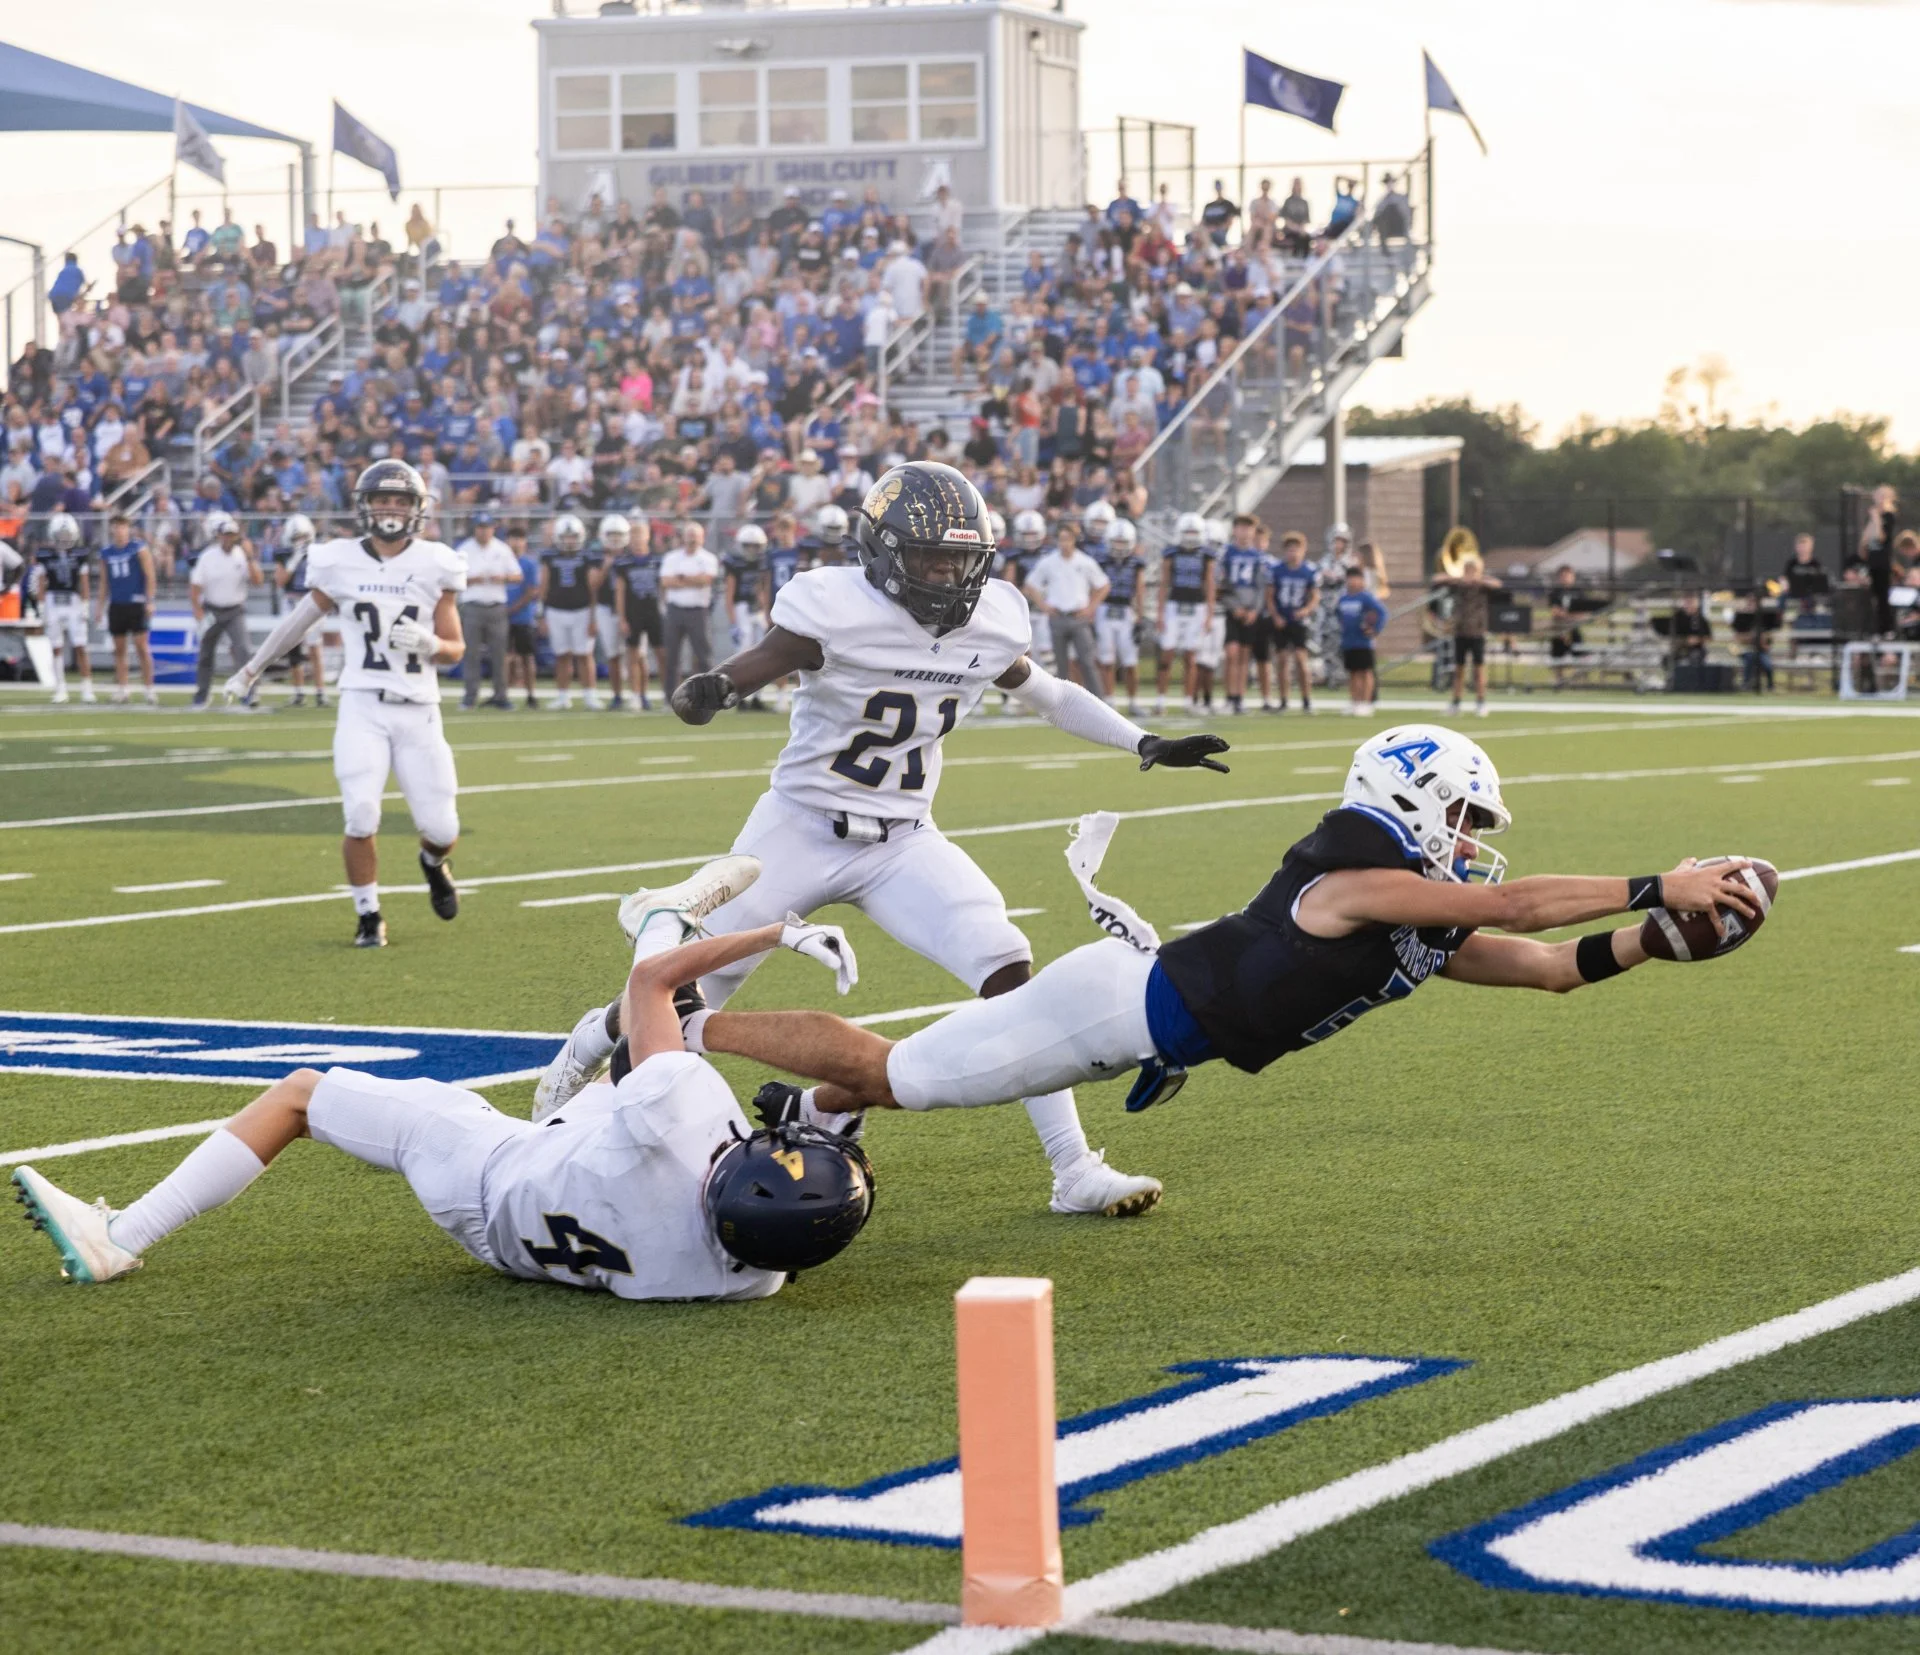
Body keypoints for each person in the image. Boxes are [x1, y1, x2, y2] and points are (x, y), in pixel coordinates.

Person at [639, 461, 1231, 1219]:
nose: (949, 572)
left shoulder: (988, 621)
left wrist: (1141, 740)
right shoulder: (834, 609)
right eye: (931, 557)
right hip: (797, 826)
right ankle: (613, 1139)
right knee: (683, 985)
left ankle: (1073, 1168)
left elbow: (1048, 693)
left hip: (903, 841)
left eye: (960, 557)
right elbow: (763, 661)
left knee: (1010, 968)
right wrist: (715, 689)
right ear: (883, 554)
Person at [691, 728, 1765, 1133]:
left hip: (1139, 1011)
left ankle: (799, 1113)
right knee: (901, 1073)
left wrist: (1652, 945)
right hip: (1111, 1010)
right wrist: (1653, 880)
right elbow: (1510, 904)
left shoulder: (1405, 914)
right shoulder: (1356, 875)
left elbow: (1541, 966)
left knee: (906, 1078)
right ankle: (688, 1028)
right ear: (1418, 795)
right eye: (1469, 817)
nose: (1474, 841)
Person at [12, 864, 874, 1297]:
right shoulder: (754, 1273)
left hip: (486, 1168)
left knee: (303, 1093)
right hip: (546, 1230)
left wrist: (771, 935)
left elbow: (654, 991)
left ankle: (120, 1234)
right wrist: (822, 1123)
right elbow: (800, 1176)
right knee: (641, 1076)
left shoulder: (686, 1119)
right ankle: (592, 1048)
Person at [221, 460, 467, 949]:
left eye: (400, 500)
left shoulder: (436, 562)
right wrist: (251, 669)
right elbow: (298, 622)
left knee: (442, 828)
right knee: (359, 813)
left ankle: (433, 862)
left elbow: (456, 647)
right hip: (362, 704)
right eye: (383, 499)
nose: (391, 508)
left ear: (418, 508)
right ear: (364, 505)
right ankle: (368, 912)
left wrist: (429, 643)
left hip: (419, 709)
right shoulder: (338, 560)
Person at [1024, 521, 1109, 695]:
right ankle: (1062, 701)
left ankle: (1099, 699)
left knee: (1087, 661)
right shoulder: (1049, 562)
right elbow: (1031, 585)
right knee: (1060, 664)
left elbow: (1103, 585)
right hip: (1058, 616)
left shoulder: (1085, 562)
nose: (1064, 543)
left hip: (1079, 616)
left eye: (1067, 539)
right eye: (1061, 539)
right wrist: (1044, 606)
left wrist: (1091, 607)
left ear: (1074, 540)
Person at [189, 513, 260, 710]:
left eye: (232, 535)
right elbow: (195, 587)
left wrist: (250, 557)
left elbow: (257, 581)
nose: (228, 539)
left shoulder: (242, 556)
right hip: (212, 608)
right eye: (225, 535)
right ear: (219, 536)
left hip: (234, 610)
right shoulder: (208, 556)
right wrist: (198, 613)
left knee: (243, 650)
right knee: (206, 653)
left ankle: (249, 692)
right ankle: (202, 694)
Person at [1155, 512, 1217, 715]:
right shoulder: (1170, 553)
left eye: (1194, 532)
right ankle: (1160, 700)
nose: (1190, 537)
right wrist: (1160, 612)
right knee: (1167, 655)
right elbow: (1164, 582)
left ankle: (1188, 701)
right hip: (1174, 606)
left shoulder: (1206, 554)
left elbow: (1209, 584)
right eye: (1187, 532)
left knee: (1191, 657)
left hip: (1196, 608)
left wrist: (1209, 613)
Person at [456, 513, 517, 711]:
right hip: (473, 605)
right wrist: (474, 579)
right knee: (471, 654)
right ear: (475, 529)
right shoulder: (465, 549)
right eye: (480, 527)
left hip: (496, 605)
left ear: (493, 528)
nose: (483, 531)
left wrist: (503, 577)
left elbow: (517, 576)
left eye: (487, 527)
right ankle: (470, 696)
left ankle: (501, 695)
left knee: (499, 654)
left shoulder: (502, 549)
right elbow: (453, 578)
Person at [540, 514, 599, 710]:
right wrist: (541, 614)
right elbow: (544, 586)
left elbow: (593, 589)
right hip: (556, 610)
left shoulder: (587, 557)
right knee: (561, 655)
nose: (569, 540)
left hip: (581, 610)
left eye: (573, 536)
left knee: (584, 654)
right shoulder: (550, 556)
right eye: (566, 536)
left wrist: (593, 617)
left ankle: (590, 695)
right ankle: (563, 696)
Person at [35, 513, 95, 705]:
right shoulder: (45, 555)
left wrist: (85, 605)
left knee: (80, 646)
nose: (64, 538)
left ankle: (87, 688)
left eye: (66, 534)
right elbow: (41, 580)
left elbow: (84, 582)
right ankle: (60, 688)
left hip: (73, 601)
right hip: (53, 600)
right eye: (60, 535)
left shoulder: (80, 555)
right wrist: (42, 605)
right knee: (56, 647)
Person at [99, 511, 158, 706]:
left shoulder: (138, 549)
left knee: (142, 646)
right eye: (116, 526)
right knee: (119, 649)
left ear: (128, 528)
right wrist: (100, 606)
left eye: (122, 526)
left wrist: (150, 600)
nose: (119, 530)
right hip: (117, 603)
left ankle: (149, 689)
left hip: (136, 602)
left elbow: (150, 575)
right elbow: (104, 582)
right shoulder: (107, 552)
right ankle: (123, 689)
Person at [1433, 554, 1501, 717]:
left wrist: (1478, 580)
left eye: (1472, 570)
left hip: (1477, 632)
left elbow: (1497, 584)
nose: (1469, 573)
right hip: (1460, 631)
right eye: (1467, 570)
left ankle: (1481, 702)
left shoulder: (1482, 586)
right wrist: (1458, 578)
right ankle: (1456, 702)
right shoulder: (1458, 585)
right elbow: (1437, 578)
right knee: (1459, 669)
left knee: (1478, 669)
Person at [659, 522, 720, 698]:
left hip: (698, 611)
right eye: (689, 535)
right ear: (683, 537)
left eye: (695, 535)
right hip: (675, 610)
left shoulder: (708, 558)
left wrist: (681, 578)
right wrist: (694, 580)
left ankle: (708, 695)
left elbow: (706, 580)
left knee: (703, 655)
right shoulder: (672, 557)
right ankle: (670, 696)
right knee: (671, 656)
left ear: (702, 538)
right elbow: (666, 582)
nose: (692, 539)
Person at [1219, 514, 1271, 716]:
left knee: (1243, 656)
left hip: (1250, 612)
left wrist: (1253, 611)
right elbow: (1221, 586)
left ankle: (1239, 698)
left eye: (1248, 528)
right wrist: (1234, 607)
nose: (1245, 532)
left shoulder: (1258, 557)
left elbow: (1261, 588)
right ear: (1234, 530)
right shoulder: (1226, 554)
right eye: (1241, 527)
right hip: (1233, 610)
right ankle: (1229, 697)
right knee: (1231, 653)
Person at [1093, 518, 1144, 712]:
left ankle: (1133, 701)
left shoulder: (1136, 563)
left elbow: (1139, 590)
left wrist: (1140, 615)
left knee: (1130, 661)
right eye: (1116, 542)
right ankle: (1109, 700)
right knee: (1106, 659)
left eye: (1123, 542)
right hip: (1105, 610)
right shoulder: (1101, 561)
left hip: (1126, 611)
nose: (1120, 547)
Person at [612, 518, 662, 713]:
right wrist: (622, 617)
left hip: (654, 611)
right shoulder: (623, 563)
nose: (636, 539)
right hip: (634, 613)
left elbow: (663, 587)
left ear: (648, 536)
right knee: (633, 655)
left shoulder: (657, 560)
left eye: (640, 534)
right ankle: (635, 695)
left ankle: (662, 694)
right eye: (633, 535)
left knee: (661, 653)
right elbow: (620, 591)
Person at [1269, 530, 1319, 715]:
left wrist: (1306, 610)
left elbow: (1315, 596)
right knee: (1282, 660)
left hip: (1298, 620)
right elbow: (1270, 596)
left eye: (1296, 549)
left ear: (1303, 550)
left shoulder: (1308, 570)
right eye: (1290, 549)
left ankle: (1307, 700)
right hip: (1282, 619)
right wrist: (1276, 616)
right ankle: (1283, 700)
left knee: (1301, 659)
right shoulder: (1277, 570)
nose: (1293, 553)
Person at [1334, 564, 1388, 715]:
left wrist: (1374, 629)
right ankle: (1355, 702)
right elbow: (1339, 616)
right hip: (1348, 641)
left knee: (1365, 672)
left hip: (1364, 642)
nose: (1352, 582)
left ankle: (1366, 702)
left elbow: (1382, 613)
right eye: (1350, 578)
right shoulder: (1343, 598)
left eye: (1356, 578)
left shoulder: (1366, 598)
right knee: (1352, 673)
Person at [593, 515, 634, 711]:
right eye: (612, 535)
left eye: (619, 535)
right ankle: (617, 695)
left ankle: (637, 695)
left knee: (635, 654)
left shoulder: (632, 556)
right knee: (613, 654)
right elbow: (592, 585)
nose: (616, 539)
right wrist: (606, 566)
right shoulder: (597, 556)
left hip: (629, 609)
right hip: (606, 608)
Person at [504, 526, 542, 710]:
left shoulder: (529, 564)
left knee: (527, 656)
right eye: (512, 538)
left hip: (523, 616)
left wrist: (513, 608)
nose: (516, 543)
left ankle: (531, 694)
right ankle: (503, 694)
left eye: (519, 539)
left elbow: (532, 590)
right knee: (503, 657)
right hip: (502, 615)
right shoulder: (501, 561)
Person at [1858, 484, 1898, 636]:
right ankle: (1873, 629)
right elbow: (1865, 541)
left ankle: (1887, 629)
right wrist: (1872, 519)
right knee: (1871, 597)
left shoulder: (1888, 516)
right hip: (1872, 562)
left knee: (1883, 597)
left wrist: (1876, 518)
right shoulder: (1874, 516)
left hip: (1882, 562)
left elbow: (1881, 537)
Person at [1547, 565, 1585, 688]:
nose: (1566, 578)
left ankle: (1576, 679)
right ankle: (1559, 679)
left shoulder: (1579, 592)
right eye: (1563, 575)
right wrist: (1568, 615)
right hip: (1560, 628)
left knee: (1579, 651)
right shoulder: (1555, 592)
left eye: (1569, 575)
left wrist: (1571, 616)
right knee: (1557, 651)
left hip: (1574, 627)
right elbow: (1555, 611)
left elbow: (1583, 612)